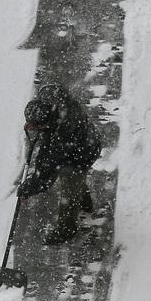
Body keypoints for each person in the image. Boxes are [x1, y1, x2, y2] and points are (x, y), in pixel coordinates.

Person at [18, 83, 102, 244]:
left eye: (37, 126)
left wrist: (28, 188)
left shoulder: (61, 134)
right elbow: (51, 88)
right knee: (74, 179)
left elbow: (46, 174)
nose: (31, 127)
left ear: (47, 122)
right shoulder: (52, 100)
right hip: (84, 139)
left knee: (70, 180)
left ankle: (66, 230)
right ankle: (85, 203)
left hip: (84, 152)